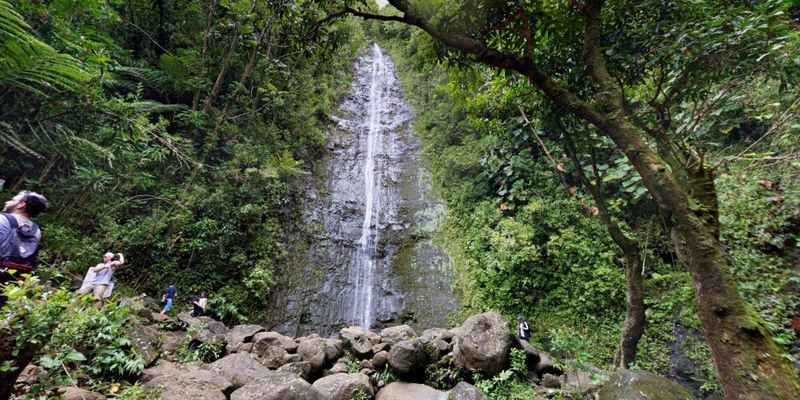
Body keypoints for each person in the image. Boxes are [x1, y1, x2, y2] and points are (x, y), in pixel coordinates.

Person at [0, 190, 49, 307]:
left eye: (13, 200)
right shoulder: (36, 231)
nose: (8, 201)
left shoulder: (2, 219)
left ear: (21, 205)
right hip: (11, 278)